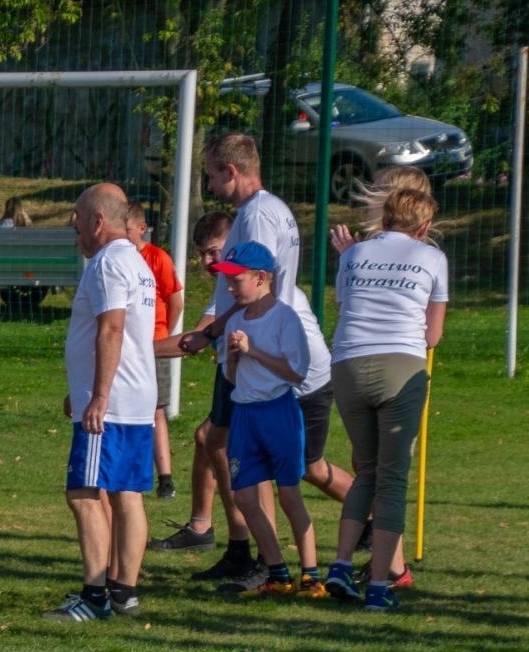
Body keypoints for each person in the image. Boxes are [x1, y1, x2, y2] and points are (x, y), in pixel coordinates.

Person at [172, 132, 350, 593]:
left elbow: (254, 288)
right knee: (223, 446)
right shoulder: (267, 210)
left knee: (285, 473)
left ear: (231, 171)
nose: (210, 185)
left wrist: (215, 333)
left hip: (268, 370)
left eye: (212, 175)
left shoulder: (257, 217)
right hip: (251, 360)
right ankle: (254, 556)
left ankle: (275, 564)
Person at [326, 187, 447, 611]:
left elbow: (345, 304)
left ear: (385, 219)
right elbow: (433, 335)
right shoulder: (432, 258)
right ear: (425, 226)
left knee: (368, 471)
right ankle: (379, 585)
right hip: (401, 367)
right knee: (392, 478)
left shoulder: (353, 255)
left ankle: (341, 564)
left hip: (348, 365)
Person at [44, 183, 157, 622]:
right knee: (127, 493)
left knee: (84, 493)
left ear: (98, 221)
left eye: (77, 216)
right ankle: (124, 592)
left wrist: (99, 397)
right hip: (135, 395)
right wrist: (81, 388)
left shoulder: (108, 262)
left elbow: (112, 329)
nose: (72, 224)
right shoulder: (137, 262)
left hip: (112, 401)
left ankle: (94, 596)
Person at [210, 242, 322, 598]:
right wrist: (233, 359)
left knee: (289, 495)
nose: (230, 288)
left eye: (236, 279)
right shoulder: (236, 322)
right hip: (245, 415)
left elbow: (296, 372)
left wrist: (253, 351)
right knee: (244, 497)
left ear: (261, 278)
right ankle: (278, 572)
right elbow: (231, 379)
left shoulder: (284, 318)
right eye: (227, 280)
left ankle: (311, 575)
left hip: (278, 413)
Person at [150, 211, 238, 554]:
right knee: (207, 439)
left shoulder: (245, 279)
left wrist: (136, 351)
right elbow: (201, 335)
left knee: (305, 467)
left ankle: (245, 547)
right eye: (202, 254)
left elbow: (196, 340)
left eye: (214, 252)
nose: (206, 262)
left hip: (279, 381)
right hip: (236, 375)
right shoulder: (226, 282)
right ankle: (202, 527)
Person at [126, 201, 183, 499]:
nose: (124, 236)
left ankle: (166, 478)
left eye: (128, 230)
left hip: (153, 345)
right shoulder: (120, 259)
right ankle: (131, 471)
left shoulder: (157, 258)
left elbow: (175, 302)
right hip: (128, 347)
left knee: (156, 409)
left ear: (141, 228)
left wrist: (162, 336)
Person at [330, 164, 431, 255]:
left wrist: (352, 256)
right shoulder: (420, 250)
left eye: (376, 190)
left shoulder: (405, 251)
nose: (368, 198)